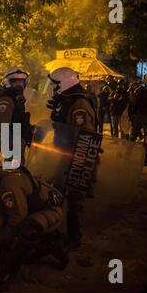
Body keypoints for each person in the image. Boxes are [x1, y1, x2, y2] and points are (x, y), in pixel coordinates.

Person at [0, 166, 67, 283]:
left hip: (52, 209)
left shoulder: (8, 188)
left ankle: (5, 278)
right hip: (29, 207)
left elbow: (16, 224)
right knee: (4, 228)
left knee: (27, 231)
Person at [46, 67, 96, 248]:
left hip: (76, 157)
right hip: (66, 154)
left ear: (64, 83)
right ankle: (56, 227)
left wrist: (79, 164)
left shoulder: (79, 105)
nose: (53, 87)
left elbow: (84, 136)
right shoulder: (69, 100)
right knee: (57, 191)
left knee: (73, 199)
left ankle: (74, 237)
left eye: (56, 84)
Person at [0, 68, 34, 167]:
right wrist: (8, 144)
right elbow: (3, 124)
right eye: (15, 82)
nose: (18, 85)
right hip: (12, 140)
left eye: (21, 82)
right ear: (8, 83)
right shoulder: (7, 98)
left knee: (18, 167)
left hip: (19, 137)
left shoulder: (20, 98)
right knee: (14, 169)